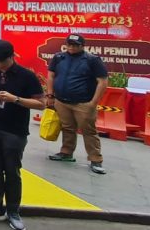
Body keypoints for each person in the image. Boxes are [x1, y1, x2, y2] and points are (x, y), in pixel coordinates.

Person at [0, 40, 45, 230]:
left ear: (12, 56)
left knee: (12, 171)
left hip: (14, 129)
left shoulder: (26, 76)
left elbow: (41, 104)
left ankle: (13, 211)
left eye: (1, 61)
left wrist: (15, 99)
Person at [46, 34, 109, 175]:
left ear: (82, 46)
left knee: (89, 131)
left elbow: (103, 81)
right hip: (61, 101)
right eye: (69, 44)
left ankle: (96, 160)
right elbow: (51, 75)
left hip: (83, 103)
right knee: (67, 128)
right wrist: (50, 95)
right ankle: (66, 152)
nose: (71, 47)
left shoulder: (92, 60)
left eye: (75, 45)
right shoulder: (59, 57)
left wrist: (93, 102)